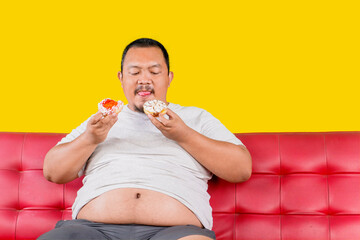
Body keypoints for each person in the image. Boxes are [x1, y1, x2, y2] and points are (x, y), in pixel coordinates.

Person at [38, 38, 252, 240]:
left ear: (169, 78)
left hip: (177, 232)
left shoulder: (196, 117)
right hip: (91, 230)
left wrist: (183, 135)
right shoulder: (102, 121)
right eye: (135, 72)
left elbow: (241, 169)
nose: (144, 79)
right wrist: (90, 139)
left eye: (154, 71)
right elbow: (52, 172)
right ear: (122, 79)